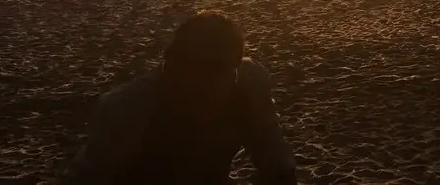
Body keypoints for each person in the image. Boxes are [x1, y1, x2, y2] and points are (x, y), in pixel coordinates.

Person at [64, 10, 295, 184]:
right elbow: (87, 177)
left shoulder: (249, 89)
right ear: (171, 66)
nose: (205, 83)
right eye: (195, 69)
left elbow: (277, 164)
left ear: (234, 69)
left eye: (217, 70)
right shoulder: (127, 109)